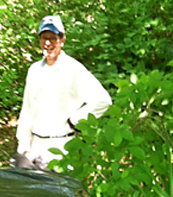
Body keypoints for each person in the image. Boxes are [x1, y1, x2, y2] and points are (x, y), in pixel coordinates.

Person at [15, 15, 112, 169]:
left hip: (62, 149)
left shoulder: (73, 69)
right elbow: (27, 109)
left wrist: (75, 120)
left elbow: (103, 100)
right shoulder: (34, 70)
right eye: (43, 38)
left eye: (53, 38)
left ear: (62, 40)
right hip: (34, 149)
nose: (48, 43)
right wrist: (24, 146)